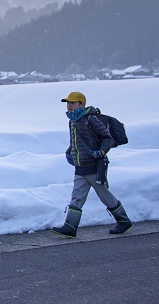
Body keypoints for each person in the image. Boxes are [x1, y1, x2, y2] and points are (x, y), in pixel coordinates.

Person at [51, 92, 133, 237]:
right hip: (80, 165)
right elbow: (75, 141)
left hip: (93, 165)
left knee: (104, 195)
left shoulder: (90, 119)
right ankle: (70, 227)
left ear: (82, 104)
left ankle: (123, 221)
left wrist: (101, 151)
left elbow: (106, 137)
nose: (69, 105)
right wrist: (69, 152)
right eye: (67, 103)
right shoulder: (73, 120)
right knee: (77, 196)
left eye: (72, 103)